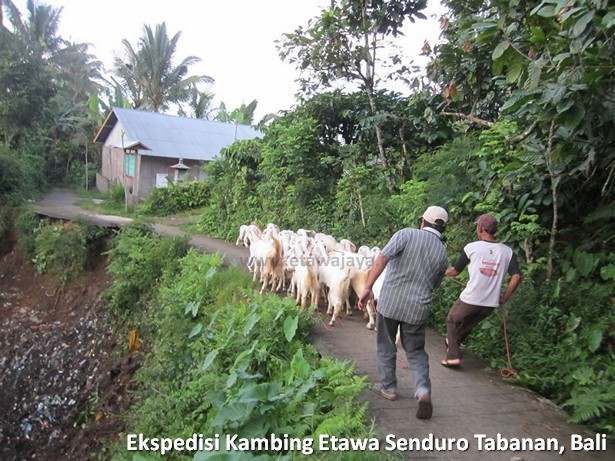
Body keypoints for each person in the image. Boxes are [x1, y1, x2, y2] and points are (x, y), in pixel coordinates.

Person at [358, 205, 449, 420]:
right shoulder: (442, 253)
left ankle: (389, 388)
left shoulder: (406, 234)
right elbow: (435, 284)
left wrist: (368, 287)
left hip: (390, 303)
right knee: (416, 352)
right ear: (442, 229)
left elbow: (381, 259)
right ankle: (423, 391)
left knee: (386, 344)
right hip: (418, 309)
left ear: (422, 222)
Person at [441, 213, 522, 368]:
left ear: (480, 229)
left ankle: (452, 357)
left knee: (452, 320)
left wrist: (440, 271)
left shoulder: (471, 248)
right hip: (490, 304)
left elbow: (455, 271)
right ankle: (453, 344)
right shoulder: (507, 252)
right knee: (466, 326)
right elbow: (516, 276)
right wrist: (504, 297)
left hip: (470, 299)